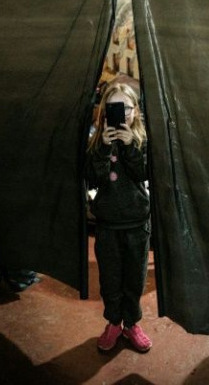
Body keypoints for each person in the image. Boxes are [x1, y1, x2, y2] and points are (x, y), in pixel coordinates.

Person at [86, 83, 152, 353]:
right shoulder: (97, 142)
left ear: (135, 111)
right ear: (105, 112)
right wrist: (103, 147)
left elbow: (143, 174)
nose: (121, 113)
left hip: (137, 224)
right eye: (115, 107)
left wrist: (129, 148)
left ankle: (131, 324)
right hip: (108, 226)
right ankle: (114, 322)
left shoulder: (142, 140)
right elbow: (93, 177)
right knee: (110, 280)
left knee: (134, 280)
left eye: (125, 107)